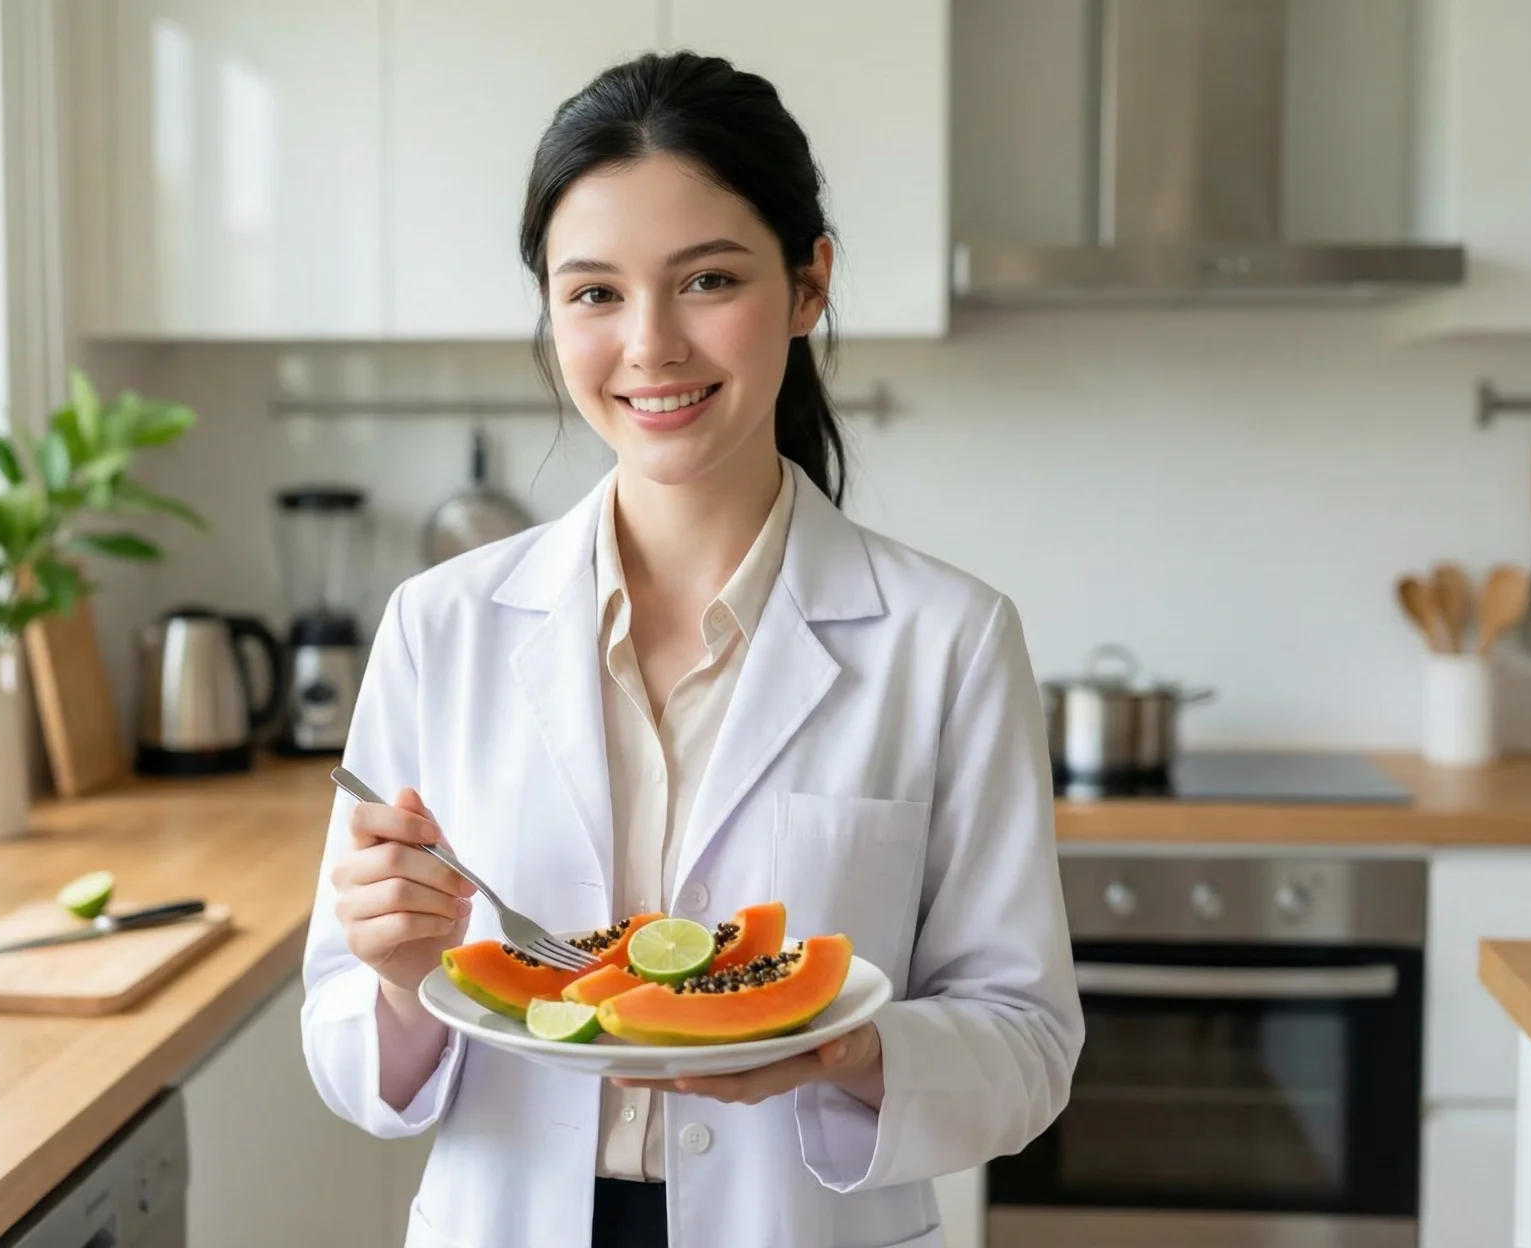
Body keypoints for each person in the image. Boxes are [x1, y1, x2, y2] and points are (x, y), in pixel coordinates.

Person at [301, 50, 1082, 1248]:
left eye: (707, 279)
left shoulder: (952, 641)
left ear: (808, 282)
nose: (650, 346)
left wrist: (848, 1048)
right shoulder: (439, 627)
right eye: (594, 293)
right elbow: (348, 1051)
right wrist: (401, 975)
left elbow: (1027, 1047)